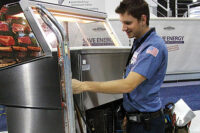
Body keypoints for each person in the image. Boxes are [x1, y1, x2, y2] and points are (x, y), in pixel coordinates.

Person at [72, 0, 168, 132]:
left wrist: (83, 86)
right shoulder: (140, 42)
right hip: (135, 119)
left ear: (143, 19)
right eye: (122, 23)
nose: (123, 28)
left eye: (128, 23)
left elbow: (128, 85)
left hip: (147, 125)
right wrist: (129, 114)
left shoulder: (153, 47)